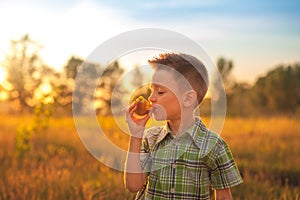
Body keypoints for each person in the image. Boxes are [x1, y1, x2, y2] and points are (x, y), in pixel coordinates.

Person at [124, 52, 243, 200]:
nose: (151, 98)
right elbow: (133, 185)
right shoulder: (150, 138)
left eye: (160, 91)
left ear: (187, 98)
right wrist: (136, 134)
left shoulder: (214, 146)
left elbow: (224, 196)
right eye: (151, 90)